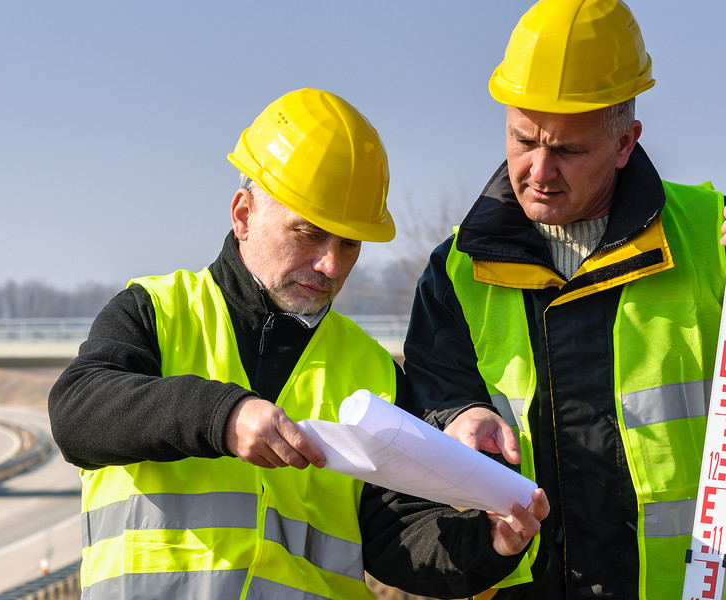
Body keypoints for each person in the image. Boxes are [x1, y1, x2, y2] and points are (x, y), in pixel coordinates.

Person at [403, 1, 726, 598]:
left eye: (568, 150)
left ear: (625, 142)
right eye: (523, 140)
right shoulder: (455, 272)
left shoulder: (719, 242)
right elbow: (422, 454)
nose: (539, 170)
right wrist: (455, 421)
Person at [51, 88, 549, 600]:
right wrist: (222, 416)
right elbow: (77, 411)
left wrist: (486, 544)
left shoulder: (373, 371)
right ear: (243, 214)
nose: (332, 266)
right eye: (309, 234)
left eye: (349, 243)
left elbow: (395, 536)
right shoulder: (158, 311)